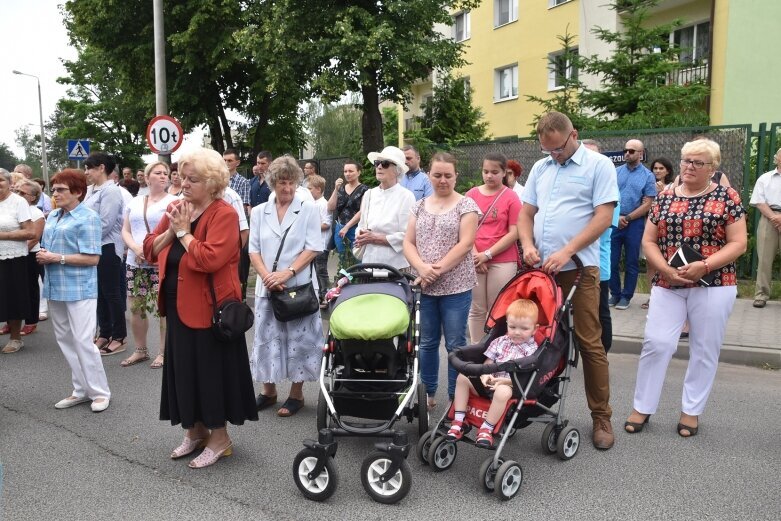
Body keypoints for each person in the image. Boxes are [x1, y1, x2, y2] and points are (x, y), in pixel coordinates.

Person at [143, 148, 257, 468]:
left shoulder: (225, 214)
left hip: (209, 310)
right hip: (178, 307)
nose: (184, 184)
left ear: (213, 183)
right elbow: (149, 251)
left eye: (193, 180)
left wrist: (184, 233)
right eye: (183, 177)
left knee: (209, 374)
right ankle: (195, 431)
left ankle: (220, 439)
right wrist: (171, 229)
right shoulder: (178, 208)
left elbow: (209, 259)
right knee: (184, 373)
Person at [625, 139, 747, 438]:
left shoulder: (727, 196)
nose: (689, 166)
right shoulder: (664, 197)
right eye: (686, 161)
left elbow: (738, 243)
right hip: (669, 281)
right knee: (657, 343)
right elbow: (649, 241)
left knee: (704, 348)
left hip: (714, 283)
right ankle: (643, 406)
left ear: (713, 168)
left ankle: (691, 411)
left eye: (698, 162)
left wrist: (704, 265)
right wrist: (665, 269)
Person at [518, 111, 618, 450]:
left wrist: (567, 250)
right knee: (538, 337)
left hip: (579, 267)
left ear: (573, 134)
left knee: (590, 343)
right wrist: (528, 244)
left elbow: (604, 216)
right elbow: (526, 213)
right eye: (547, 150)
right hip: (542, 270)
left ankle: (601, 417)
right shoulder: (540, 168)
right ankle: (530, 402)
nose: (553, 155)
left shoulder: (598, 166)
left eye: (558, 149)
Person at [403, 152, 479, 408]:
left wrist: (436, 270)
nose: (442, 180)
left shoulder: (466, 205)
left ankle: (455, 397)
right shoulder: (419, 205)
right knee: (426, 342)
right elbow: (408, 242)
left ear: (456, 176)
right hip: (424, 286)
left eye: (448, 175)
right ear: (429, 175)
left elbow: (466, 243)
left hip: (456, 287)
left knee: (456, 345)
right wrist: (422, 269)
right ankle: (428, 393)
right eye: (437, 175)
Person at [249, 156, 324, 417]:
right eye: (282, 183)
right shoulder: (259, 211)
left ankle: (296, 394)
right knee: (266, 339)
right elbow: (253, 250)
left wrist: (287, 272)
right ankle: (268, 391)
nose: (288, 189)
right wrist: (268, 276)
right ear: (272, 183)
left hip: (298, 285)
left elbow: (313, 247)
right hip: (267, 286)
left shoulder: (308, 209)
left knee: (299, 340)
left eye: (292, 182)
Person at [37, 169, 111, 412]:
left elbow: (92, 259)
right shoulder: (54, 216)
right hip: (55, 286)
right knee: (66, 341)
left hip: (79, 287)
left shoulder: (88, 217)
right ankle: (80, 390)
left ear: (78, 192)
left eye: (61, 190)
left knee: (83, 341)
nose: (55, 194)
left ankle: (100, 392)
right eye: (54, 189)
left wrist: (55, 257)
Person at [446, 298, 539, 448]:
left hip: (512, 387)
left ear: (535, 329)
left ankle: (486, 428)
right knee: (463, 377)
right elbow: (488, 364)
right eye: (513, 327)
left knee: (502, 392)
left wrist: (504, 382)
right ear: (507, 324)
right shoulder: (500, 341)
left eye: (524, 329)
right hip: (489, 382)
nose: (517, 332)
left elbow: (527, 378)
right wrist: (485, 375)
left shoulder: (532, 351)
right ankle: (459, 420)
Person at [120, 162, 178, 368]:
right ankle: (140, 350)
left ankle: (163, 351)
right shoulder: (135, 202)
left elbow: (174, 230)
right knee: (137, 307)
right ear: (146, 176)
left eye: (166, 173)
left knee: (163, 308)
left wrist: (151, 250)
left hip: (160, 261)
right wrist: (136, 249)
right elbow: (125, 230)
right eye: (158, 173)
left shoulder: (174, 201)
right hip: (135, 260)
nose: (163, 176)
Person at [465, 152, 522, 344]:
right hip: (475, 258)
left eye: (494, 172)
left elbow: (514, 232)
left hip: (502, 259)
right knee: (476, 308)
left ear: (504, 172)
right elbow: (464, 228)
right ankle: (476, 348)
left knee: (498, 307)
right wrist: (475, 255)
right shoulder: (471, 194)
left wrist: (487, 254)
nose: (489, 176)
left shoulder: (511, 196)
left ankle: (496, 349)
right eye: (485, 171)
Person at [83, 152, 128, 356]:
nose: (86, 173)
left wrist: (81, 235)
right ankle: (104, 332)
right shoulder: (91, 190)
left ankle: (119, 336)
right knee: (99, 292)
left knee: (111, 293)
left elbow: (105, 223)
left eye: (89, 168)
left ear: (101, 168)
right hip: (93, 247)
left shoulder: (111, 191)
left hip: (108, 247)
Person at [582, 139, 621, 352]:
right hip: (574, 264)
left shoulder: (609, 191)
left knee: (599, 311)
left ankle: (603, 353)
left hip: (598, 265)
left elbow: (604, 226)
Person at [609, 139, 656, 310]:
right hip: (614, 220)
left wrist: (627, 218)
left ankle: (626, 296)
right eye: (625, 150)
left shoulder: (647, 176)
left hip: (634, 223)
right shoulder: (615, 172)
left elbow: (648, 203)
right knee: (611, 260)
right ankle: (614, 293)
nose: (627, 153)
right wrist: (616, 217)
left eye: (631, 151)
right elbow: (608, 195)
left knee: (631, 261)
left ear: (640, 154)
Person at [355, 146, 416, 269]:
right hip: (369, 263)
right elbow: (361, 225)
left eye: (385, 163)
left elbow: (408, 235)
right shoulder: (369, 194)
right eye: (377, 163)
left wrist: (376, 238)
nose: (379, 167)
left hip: (395, 267)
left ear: (397, 170)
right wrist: (361, 234)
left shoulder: (406, 196)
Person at [0, 170, 35, 353]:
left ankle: (15, 338)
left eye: (0, 181)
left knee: (11, 299)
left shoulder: (18, 202)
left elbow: (30, 232)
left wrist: (3, 236)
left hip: (12, 257)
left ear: (9, 182)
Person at [641, 157, 676, 310]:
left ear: (668, 170)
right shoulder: (648, 184)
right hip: (650, 225)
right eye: (655, 168)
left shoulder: (674, 186)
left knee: (667, 263)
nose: (658, 171)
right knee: (651, 264)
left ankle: (669, 295)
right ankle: (652, 296)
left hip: (667, 230)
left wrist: (663, 192)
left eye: (661, 168)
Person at [749, 147, 781, 308]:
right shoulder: (765, 178)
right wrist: (775, 218)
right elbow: (759, 201)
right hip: (769, 218)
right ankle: (761, 295)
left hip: (777, 217)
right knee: (764, 259)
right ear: (777, 158)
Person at [14, 179, 46, 337]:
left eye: (22, 192)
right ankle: (12, 322)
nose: (18, 194)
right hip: (13, 254)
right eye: (17, 191)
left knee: (29, 288)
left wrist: (17, 251)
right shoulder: (14, 209)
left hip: (29, 255)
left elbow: (35, 237)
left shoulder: (36, 213)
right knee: (12, 290)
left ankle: (31, 321)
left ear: (33, 197)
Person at [223, 149, 251, 300]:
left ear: (237, 163)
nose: (226, 163)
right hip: (222, 227)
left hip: (237, 225)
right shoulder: (218, 179)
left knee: (241, 265)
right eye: (224, 160)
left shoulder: (243, 182)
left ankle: (242, 295)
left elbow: (244, 208)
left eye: (229, 160)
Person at [327, 159, 368, 255]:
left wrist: (347, 227)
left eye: (351, 171)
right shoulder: (341, 188)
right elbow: (330, 207)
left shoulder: (364, 190)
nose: (347, 174)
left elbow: (362, 211)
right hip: (340, 227)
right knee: (343, 259)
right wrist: (336, 189)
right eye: (345, 171)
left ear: (358, 172)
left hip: (356, 228)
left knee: (357, 257)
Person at [307, 174, 333, 306]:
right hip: (313, 243)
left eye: (310, 188)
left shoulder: (323, 204)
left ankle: (325, 295)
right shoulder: (312, 203)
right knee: (313, 271)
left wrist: (310, 228)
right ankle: (316, 294)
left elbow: (326, 224)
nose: (308, 191)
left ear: (318, 189)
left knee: (321, 270)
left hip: (322, 244)